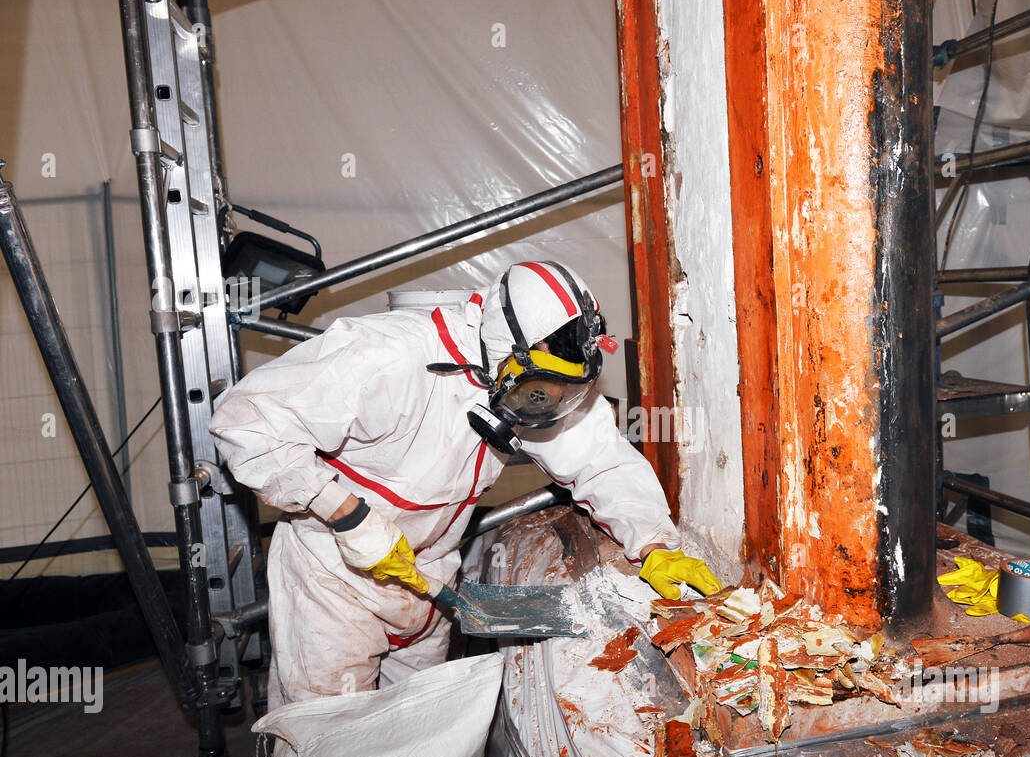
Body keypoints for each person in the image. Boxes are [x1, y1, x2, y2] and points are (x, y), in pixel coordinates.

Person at [210, 260, 720, 710]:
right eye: (537, 391)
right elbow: (244, 422)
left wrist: (652, 542)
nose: (546, 407)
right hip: (333, 576)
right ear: (504, 352)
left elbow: (600, 461)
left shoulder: (531, 378)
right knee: (330, 748)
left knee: (421, 744)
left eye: (561, 394)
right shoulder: (388, 356)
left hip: (428, 574)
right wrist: (343, 511)